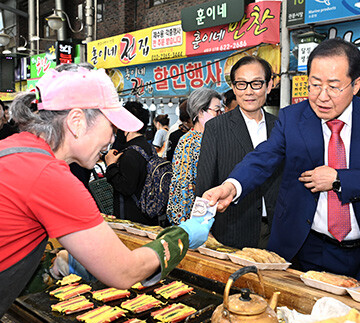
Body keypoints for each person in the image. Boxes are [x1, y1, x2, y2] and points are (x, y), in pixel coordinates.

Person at [0, 64, 213, 317]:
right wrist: (182, 235)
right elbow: (124, 272)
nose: (113, 137)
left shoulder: (12, 148)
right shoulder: (49, 176)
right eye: (111, 126)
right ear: (77, 122)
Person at [203, 39, 360, 281]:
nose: (322, 97)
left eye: (334, 87)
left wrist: (339, 179)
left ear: (355, 84)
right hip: (307, 247)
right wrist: (232, 186)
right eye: (314, 85)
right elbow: (264, 156)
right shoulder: (293, 118)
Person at [196, 56, 282, 249]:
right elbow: (205, 180)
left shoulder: (281, 126)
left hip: (276, 229)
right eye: (241, 84)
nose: (249, 91)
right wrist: (202, 227)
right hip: (233, 228)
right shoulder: (216, 127)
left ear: (269, 86)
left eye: (256, 83)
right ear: (234, 88)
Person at [166, 88, 222, 224]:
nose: (221, 115)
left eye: (222, 110)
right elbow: (183, 187)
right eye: (216, 110)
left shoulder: (215, 138)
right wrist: (187, 224)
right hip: (196, 220)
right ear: (200, 112)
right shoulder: (188, 142)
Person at [105, 101, 155, 225]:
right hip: (150, 215)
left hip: (132, 220)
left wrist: (110, 165)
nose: (116, 129)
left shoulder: (130, 154)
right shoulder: (148, 147)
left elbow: (125, 188)